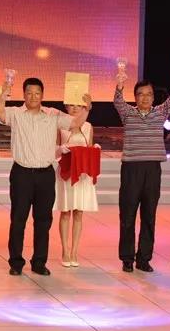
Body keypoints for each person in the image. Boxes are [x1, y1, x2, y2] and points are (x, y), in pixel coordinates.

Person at [0, 75, 88, 276]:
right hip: (22, 174)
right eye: (29, 93)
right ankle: (16, 262)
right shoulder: (16, 113)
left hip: (45, 174)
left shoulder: (52, 114)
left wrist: (87, 108)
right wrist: (3, 93)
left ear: (42, 95)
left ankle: (39, 262)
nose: (33, 96)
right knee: (18, 219)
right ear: (24, 94)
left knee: (43, 220)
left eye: (37, 93)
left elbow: (74, 123)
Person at [114, 62, 170, 273]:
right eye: (140, 94)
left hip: (152, 170)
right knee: (128, 216)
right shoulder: (127, 113)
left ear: (153, 97)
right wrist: (119, 86)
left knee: (149, 216)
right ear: (135, 97)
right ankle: (127, 258)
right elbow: (118, 101)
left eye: (149, 94)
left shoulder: (160, 112)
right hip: (131, 170)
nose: (145, 98)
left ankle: (144, 258)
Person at [55, 101, 99, 268]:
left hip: (82, 174)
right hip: (67, 172)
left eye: (78, 105)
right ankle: (65, 250)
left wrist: (94, 149)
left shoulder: (88, 126)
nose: (74, 108)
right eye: (71, 105)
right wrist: (61, 149)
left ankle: (74, 251)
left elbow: (89, 147)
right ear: (66, 107)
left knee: (79, 212)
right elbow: (55, 149)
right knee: (66, 212)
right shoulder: (61, 126)